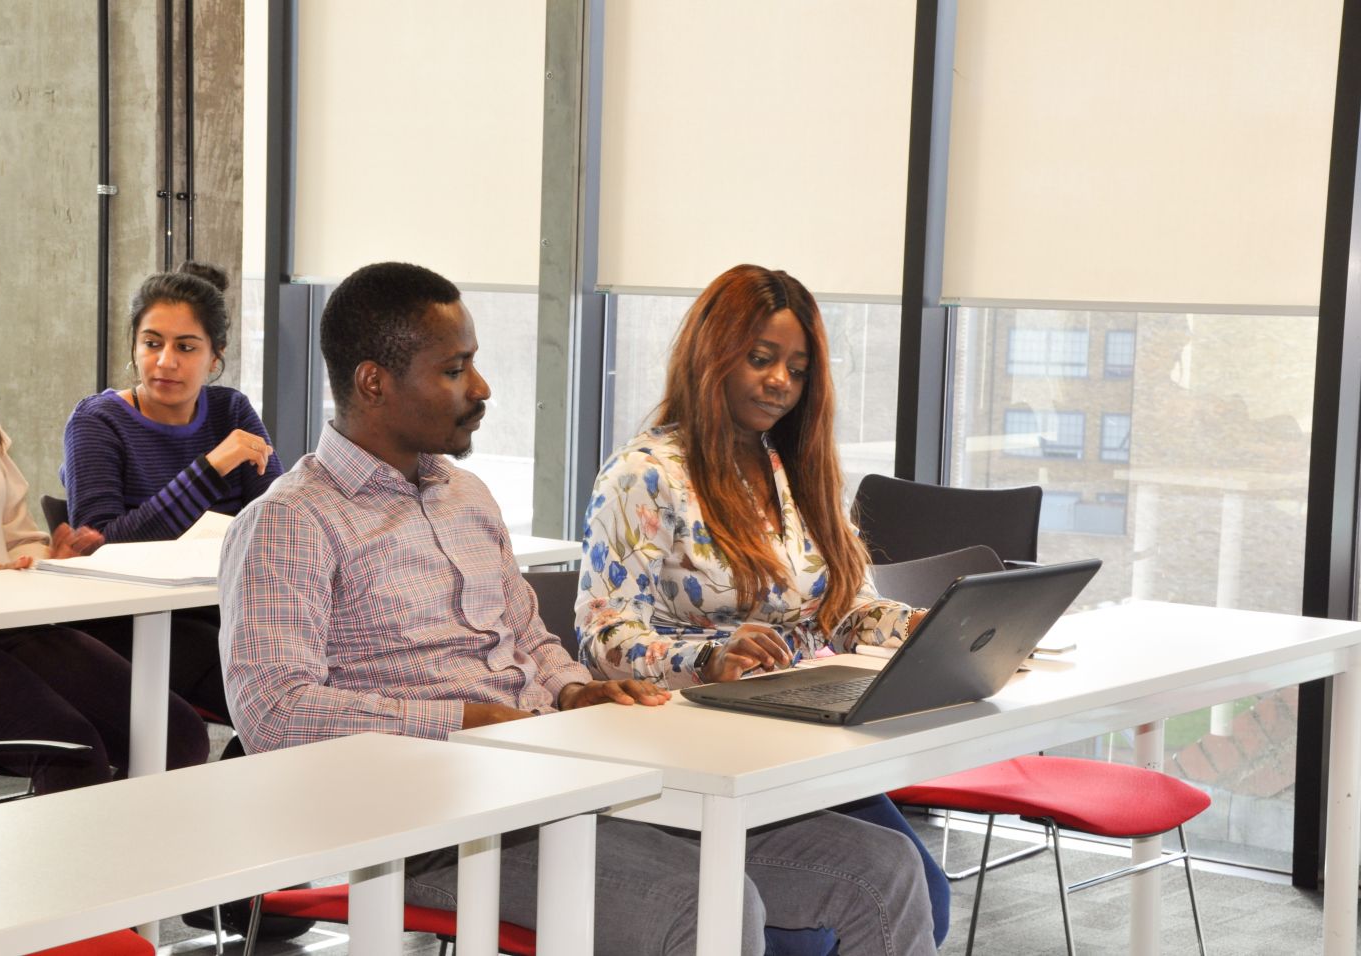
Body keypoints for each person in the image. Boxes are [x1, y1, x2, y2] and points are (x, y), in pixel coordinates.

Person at [219, 261, 937, 956]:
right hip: (433, 821)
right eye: (454, 369)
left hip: (553, 777)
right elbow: (275, 712)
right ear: (373, 384)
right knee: (709, 904)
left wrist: (573, 687)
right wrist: (469, 724)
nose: (483, 386)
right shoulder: (293, 520)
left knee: (886, 874)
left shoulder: (466, 497)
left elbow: (531, 637)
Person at [577, 263, 949, 945]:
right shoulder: (645, 474)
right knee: (884, 891)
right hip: (695, 748)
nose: (781, 381)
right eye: (760, 359)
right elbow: (605, 641)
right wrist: (711, 658)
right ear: (710, 353)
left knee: (926, 891)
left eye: (797, 368)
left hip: (798, 733)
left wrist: (928, 630)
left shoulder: (789, 466)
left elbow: (844, 609)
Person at [0, 258, 209, 792]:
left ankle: (138, 865)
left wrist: (47, 554)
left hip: (13, 622)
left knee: (178, 736)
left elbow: (16, 532)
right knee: (75, 750)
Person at [61, 262, 280, 723]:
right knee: (282, 701)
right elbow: (102, 544)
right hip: (128, 621)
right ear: (134, 345)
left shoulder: (231, 410)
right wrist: (211, 467)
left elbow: (276, 525)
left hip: (226, 607)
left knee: (327, 679)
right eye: (152, 343)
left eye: (186, 347)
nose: (165, 362)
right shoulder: (98, 421)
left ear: (215, 356)